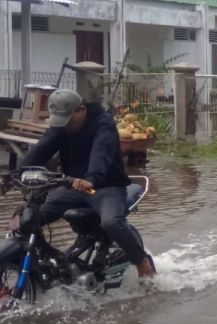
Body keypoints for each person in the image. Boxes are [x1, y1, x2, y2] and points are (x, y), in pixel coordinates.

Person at [19, 89, 155, 279]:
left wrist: (91, 178)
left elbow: (102, 152)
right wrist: (17, 174)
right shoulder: (61, 126)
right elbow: (42, 148)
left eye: (69, 120)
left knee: (111, 222)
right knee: (26, 219)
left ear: (81, 110)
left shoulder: (103, 123)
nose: (65, 126)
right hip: (72, 186)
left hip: (106, 186)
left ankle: (142, 262)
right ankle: (49, 263)